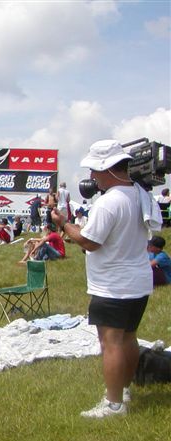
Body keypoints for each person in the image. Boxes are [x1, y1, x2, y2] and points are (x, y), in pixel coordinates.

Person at [51, 139, 156, 418]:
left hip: (113, 284)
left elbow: (89, 242)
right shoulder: (139, 194)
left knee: (110, 343)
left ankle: (113, 404)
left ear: (106, 168)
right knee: (129, 337)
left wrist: (64, 224)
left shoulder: (109, 202)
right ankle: (124, 388)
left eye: (94, 171)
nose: (92, 177)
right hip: (137, 280)